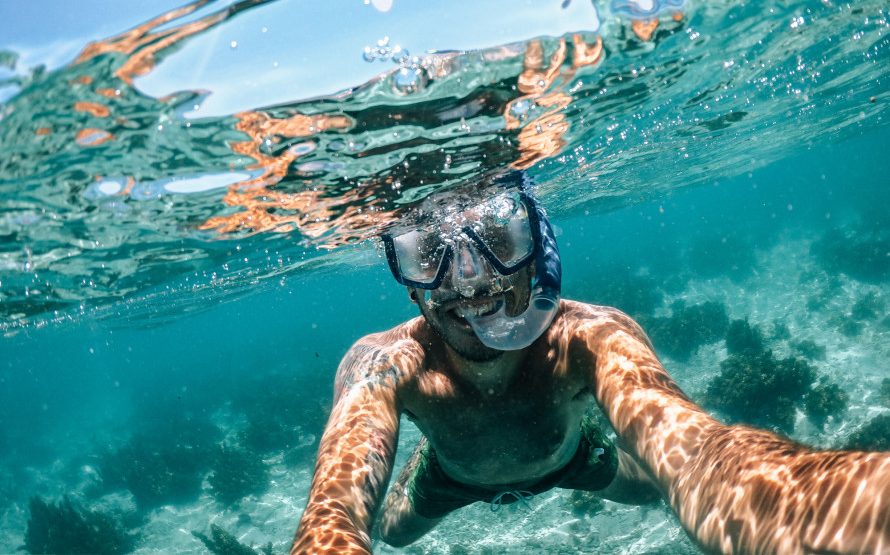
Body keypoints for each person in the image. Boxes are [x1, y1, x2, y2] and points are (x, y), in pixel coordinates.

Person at [292, 174, 890, 555]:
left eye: (498, 242)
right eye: (428, 256)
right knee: (390, 532)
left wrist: (858, 511)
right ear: (410, 287)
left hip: (574, 456)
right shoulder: (387, 363)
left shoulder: (592, 336)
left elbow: (704, 458)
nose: (470, 281)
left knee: (660, 487)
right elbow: (335, 509)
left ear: (538, 253)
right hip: (449, 477)